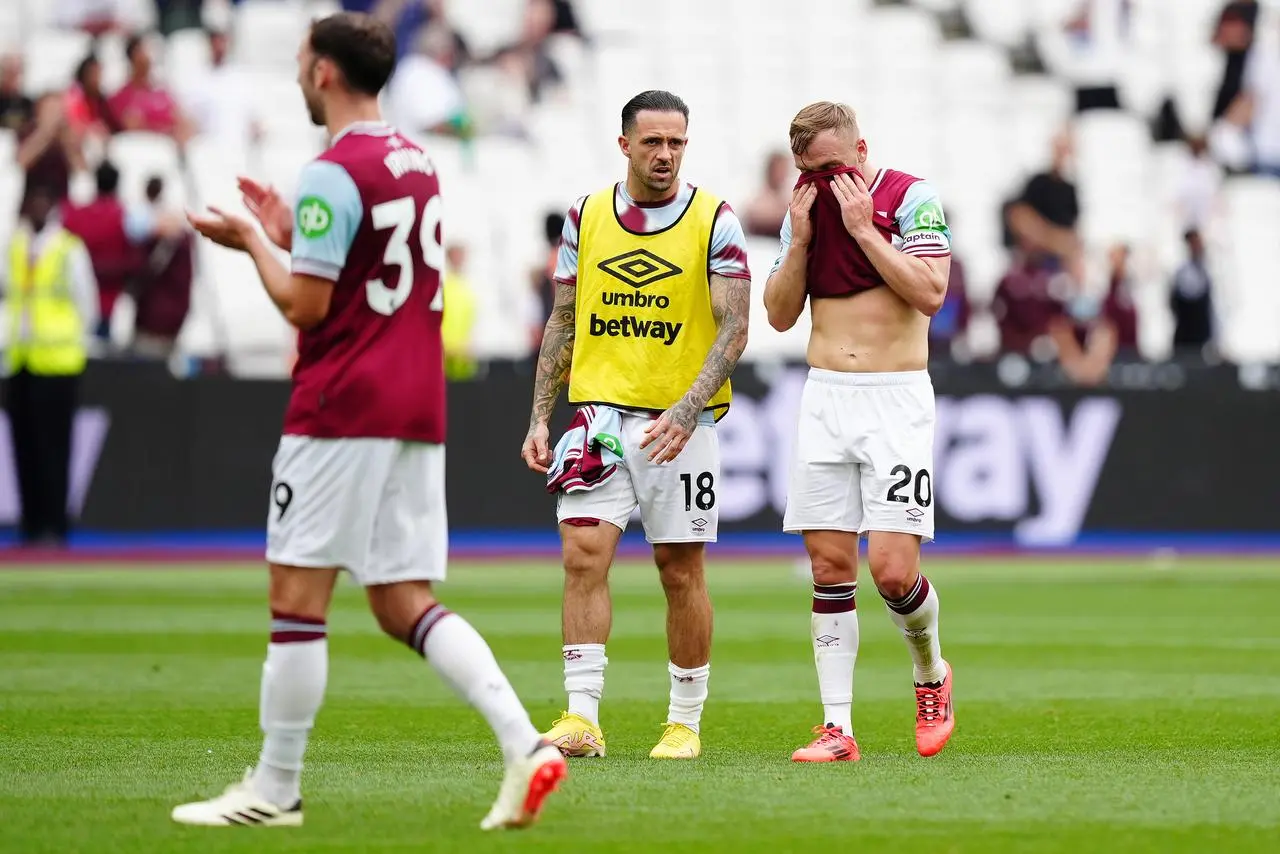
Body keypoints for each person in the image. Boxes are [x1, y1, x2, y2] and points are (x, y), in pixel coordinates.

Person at [171, 12, 565, 831]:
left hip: (341, 403)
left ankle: (276, 788)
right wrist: (291, 233)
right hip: (415, 405)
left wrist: (250, 239)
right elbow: (361, 265)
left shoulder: (330, 170)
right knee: (398, 600)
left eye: (300, 61)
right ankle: (525, 743)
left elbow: (305, 304)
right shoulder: (416, 159)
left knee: (296, 597)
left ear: (321, 72)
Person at [522, 89, 752, 761]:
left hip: (679, 426)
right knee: (581, 554)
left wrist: (686, 409)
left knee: (679, 569)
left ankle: (684, 722)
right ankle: (581, 717)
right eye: (652, 142)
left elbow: (736, 324)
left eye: (676, 142)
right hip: (598, 418)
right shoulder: (587, 216)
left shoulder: (714, 219)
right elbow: (563, 319)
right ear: (624, 144)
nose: (665, 154)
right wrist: (541, 415)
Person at [762, 101, 955, 763]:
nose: (822, 180)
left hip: (895, 400)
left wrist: (865, 231)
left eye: (833, 167)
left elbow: (931, 293)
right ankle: (837, 728)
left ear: (862, 148)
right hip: (826, 398)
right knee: (829, 566)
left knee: (893, 571)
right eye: (809, 171)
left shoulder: (910, 198)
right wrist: (804, 240)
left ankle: (930, 672)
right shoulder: (806, 211)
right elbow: (781, 315)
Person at [3, 182, 99, 547]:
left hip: (58, 363)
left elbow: (85, 303)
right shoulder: (15, 245)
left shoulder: (68, 249)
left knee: (54, 448)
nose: (38, 206)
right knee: (23, 446)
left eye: (44, 198)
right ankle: (29, 525)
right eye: (33, 199)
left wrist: (75, 344)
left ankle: (55, 527)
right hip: (20, 360)